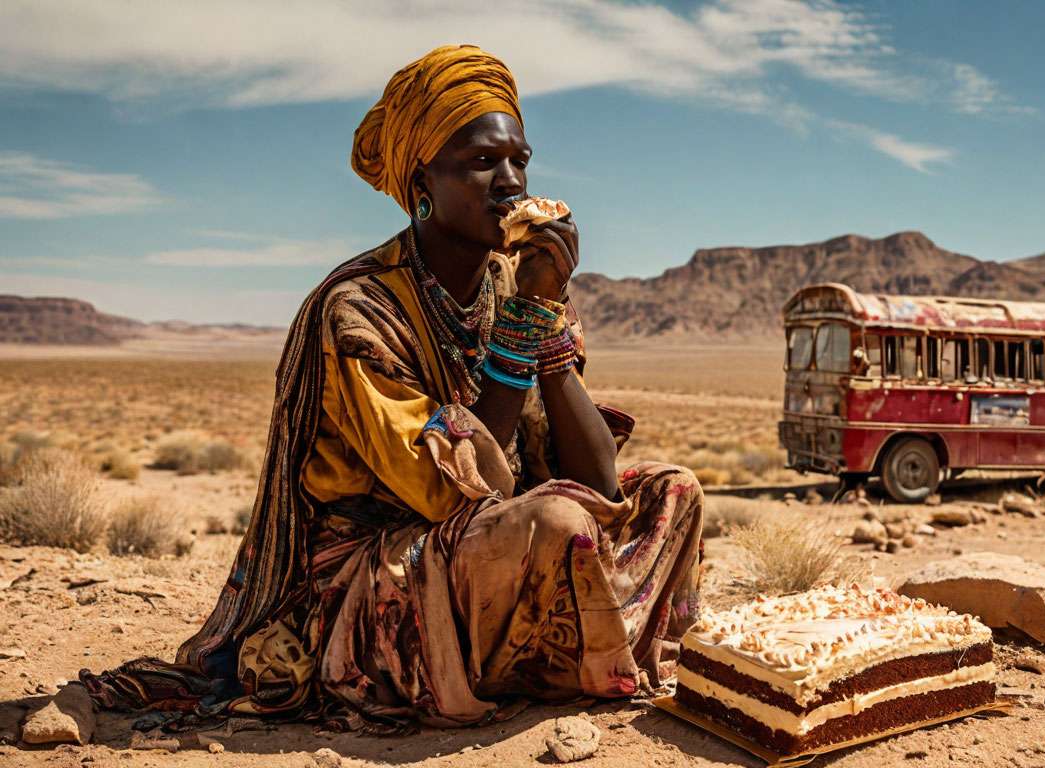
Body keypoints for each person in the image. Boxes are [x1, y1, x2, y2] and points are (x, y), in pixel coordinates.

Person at [81, 45, 704, 730]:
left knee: (673, 490)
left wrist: (545, 322)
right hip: (378, 573)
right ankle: (544, 660)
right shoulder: (358, 311)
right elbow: (454, 492)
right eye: (480, 162)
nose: (509, 183)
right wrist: (524, 326)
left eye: (519, 161)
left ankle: (557, 653)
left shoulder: (515, 284)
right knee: (558, 521)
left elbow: (599, 479)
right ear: (422, 185)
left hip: (488, 541)